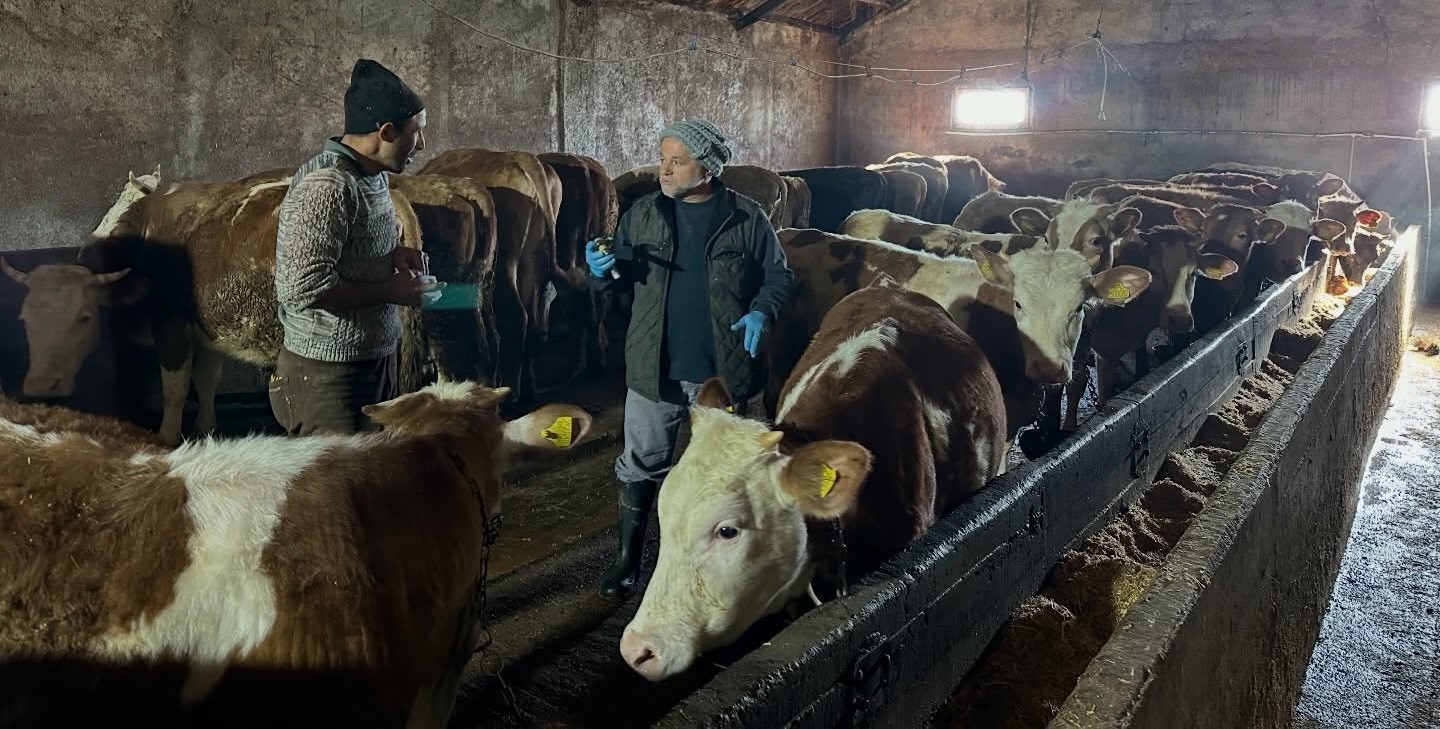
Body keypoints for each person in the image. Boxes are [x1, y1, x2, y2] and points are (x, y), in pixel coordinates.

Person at [585, 119, 794, 597]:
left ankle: (724, 572)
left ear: (707, 168)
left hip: (724, 372)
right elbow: (615, 275)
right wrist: (599, 271)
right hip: (653, 367)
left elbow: (778, 277)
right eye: (663, 159)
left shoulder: (747, 217)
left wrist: (762, 311)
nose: (665, 169)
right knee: (640, 466)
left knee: (728, 477)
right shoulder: (641, 214)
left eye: (676, 162)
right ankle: (627, 561)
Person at [270, 58, 438, 436]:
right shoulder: (327, 186)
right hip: (329, 377)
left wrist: (393, 255)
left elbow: (348, 250)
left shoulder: (371, 176)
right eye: (417, 132)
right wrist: (388, 290)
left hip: (372, 362)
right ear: (387, 132)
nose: (423, 144)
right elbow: (299, 288)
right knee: (339, 491)